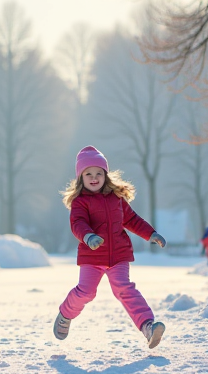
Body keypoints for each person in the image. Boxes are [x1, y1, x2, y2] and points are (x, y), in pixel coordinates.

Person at [53, 146, 168, 349]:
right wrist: (88, 237)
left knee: (124, 289)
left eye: (99, 173)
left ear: (106, 175)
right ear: (81, 177)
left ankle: (148, 326)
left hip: (119, 255)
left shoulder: (117, 199)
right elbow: (77, 223)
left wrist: (151, 233)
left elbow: (132, 219)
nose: (94, 177)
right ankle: (66, 314)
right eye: (88, 173)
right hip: (92, 256)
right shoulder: (80, 202)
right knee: (87, 292)